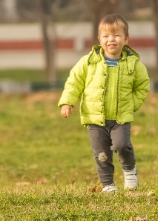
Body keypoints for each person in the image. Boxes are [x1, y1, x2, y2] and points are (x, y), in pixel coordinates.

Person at [58, 14, 150, 193]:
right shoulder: (89, 62)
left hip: (120, 117)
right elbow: (74, 82)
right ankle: (108, 185)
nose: (111, 40)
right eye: (106, 36)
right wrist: (68, 102)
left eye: (116, 35)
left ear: (126, 39)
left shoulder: (134, 64)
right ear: (99, 39)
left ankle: (130, 172)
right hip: (94, 118)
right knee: (101, 154)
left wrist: (131, 105)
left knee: (122, 145)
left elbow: (143, 86)